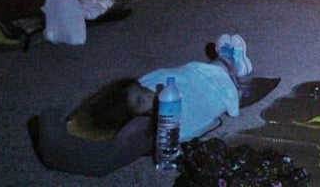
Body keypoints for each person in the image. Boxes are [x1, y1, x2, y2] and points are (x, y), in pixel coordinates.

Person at [64, 34, 251, 143]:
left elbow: (178, 74)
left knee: (190, 71)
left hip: (194, 74)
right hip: (216, 83)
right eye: (140, 100)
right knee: (218, 72)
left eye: (140, 88)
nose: (147, 92)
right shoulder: (169, 125)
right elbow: (198, 121)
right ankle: (232, 62)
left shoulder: (148, 92)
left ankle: (222, 62)